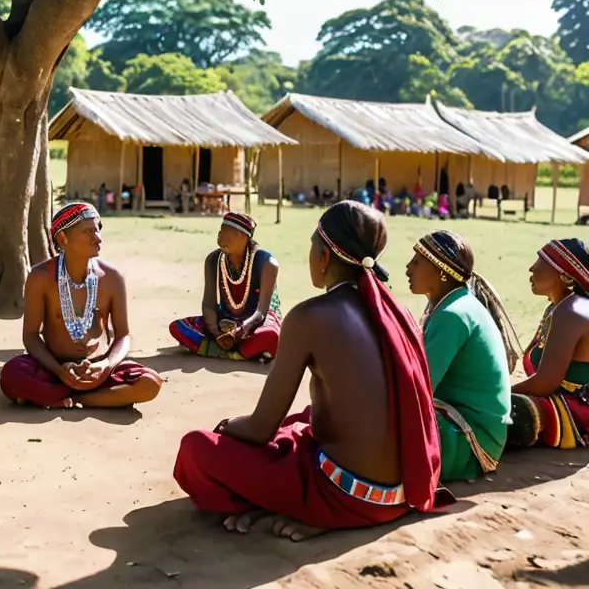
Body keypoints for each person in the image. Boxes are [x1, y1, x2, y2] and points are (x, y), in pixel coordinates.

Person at [173, 201, 452, 541]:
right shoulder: (399, 313)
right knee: (300, 422)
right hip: (403, 492)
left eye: (311, 246)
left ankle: (306, 507)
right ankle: (298, 496)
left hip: (347, 495)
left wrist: (226, 427)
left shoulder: (309, 317)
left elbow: (260, 429)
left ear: (323, 257)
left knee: (196, 449)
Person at [0, 202, 162, 409]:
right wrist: (60, 370)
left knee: (151, 383)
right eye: (88, 232)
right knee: (12, 374)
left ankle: (72, 399)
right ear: (62, 239)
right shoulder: (40, 277)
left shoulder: (112, 278)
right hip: (54, 368)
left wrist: (105, 365)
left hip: (100, 369)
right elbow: (30, 336)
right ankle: (100, 396)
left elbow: (123, 336)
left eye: (98, 230)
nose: (98, 238)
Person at [405, 231, 518, 481]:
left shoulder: (452, 315)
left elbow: (418, 388)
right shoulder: (454, 303)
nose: (407, 268)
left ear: (441, 271)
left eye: (416, 262)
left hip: (469, 438)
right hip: (471, 427)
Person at [508, 239, 589, 449]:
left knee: (494, 411)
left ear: (564, 275)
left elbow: (545, 383)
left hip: (576, 410)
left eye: (541, 262)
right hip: (559, 400)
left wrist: (501, 394)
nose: (531, 268)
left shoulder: (572, 310)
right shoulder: (558, 308)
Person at [169, 213, 281, 362]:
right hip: (225, 321)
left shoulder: (267, 263)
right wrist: (216, 333)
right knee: (178, 328)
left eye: (228, 234)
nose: (221, 238)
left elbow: (261, 311)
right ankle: (242, 352)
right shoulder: (213, 260)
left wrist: (241, 331)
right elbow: (208, 304)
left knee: (271, 335)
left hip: (256, 322)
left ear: (243, 237)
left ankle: (220, 350)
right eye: (220, 232)